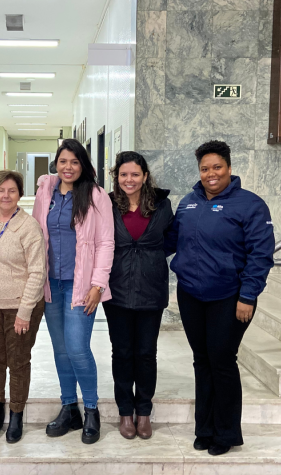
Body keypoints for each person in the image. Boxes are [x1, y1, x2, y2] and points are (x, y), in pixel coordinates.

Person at [165, 140, 275, 456]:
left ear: (228, 168)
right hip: (191, 295)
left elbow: (261, 255)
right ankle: (205, 429)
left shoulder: (250, 205)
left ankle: (226, 433)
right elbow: (169, 241)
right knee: (203, 360)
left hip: (231, 296)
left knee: (222, 359)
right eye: (204, 168)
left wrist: (248, 295)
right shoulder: (188, 203)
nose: (211, 174)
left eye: (217, 167)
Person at [33, 138, 114, 445]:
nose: (68, 167)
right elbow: (35, 232)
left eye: (75, 162)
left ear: (84, 166)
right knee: (61, 349)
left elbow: (106, 242)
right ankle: (69, 407)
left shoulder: (95, 195)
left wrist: (98, 284)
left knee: (78, 348)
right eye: (63, 161)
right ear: (56, 163)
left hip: (82, 285)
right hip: (51, 283)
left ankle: (92, 409)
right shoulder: (46, 191)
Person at [103, 151, 173, 440]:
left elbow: (172, 238)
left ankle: (143, 411)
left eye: (134, 174)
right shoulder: (106, 204)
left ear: (145, 176)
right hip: (116, 289)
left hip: (151, 289)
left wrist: (148, 261)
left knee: (146, 353)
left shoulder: (162, 204)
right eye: (123, 174)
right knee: (122, 353)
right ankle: (124, 411)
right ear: (116, 177)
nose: (128, 180)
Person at [0, 170, 46, 444]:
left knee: (18, 362)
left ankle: (16, 414)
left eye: (12, 191)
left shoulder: (28, 227)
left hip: (20, 307)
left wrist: (24, 312)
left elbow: (37, 272)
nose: (5, 195)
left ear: (20, 195)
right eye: (0, 190)